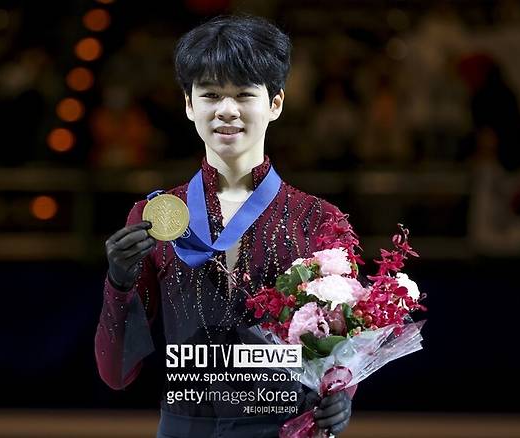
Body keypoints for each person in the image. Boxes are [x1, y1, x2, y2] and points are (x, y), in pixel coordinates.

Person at [95, 15, 355, 437]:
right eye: (211, 94)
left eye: (244, 94)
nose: (227, 110)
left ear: (275, 103)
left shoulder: (320, 221)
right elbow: (116, 374)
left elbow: (342, 347)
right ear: (189, 104)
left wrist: (344, 392)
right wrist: (118, 285)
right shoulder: (155, 216)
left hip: (286, 429)